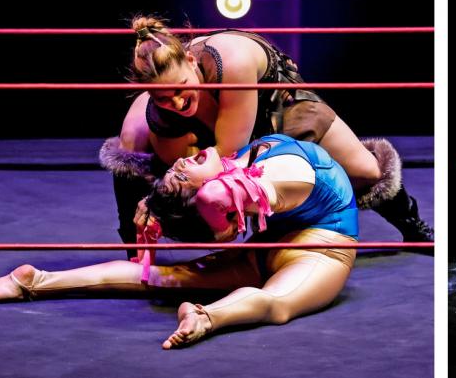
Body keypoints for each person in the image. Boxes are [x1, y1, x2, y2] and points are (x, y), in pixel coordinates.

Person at [0, 135, 358, 349]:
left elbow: (219, 205)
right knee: (277, 303)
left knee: (166, 275)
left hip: (291, 243)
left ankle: (35, 281)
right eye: (180, 176)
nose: (179, 164)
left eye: (176, 171)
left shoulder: (244, 175)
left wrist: (163, 201)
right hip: (318, 245)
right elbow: (219, 205)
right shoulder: (256, 183)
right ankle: (206, 317)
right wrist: (180, 201)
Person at [102, 17, 429, 256]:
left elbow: (230, 152)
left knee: (368, 171)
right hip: (214, 130)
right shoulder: (158, 114)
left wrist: (201, 178)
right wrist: (157, 201)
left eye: (179, 89)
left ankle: (414, 229)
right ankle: (133, 250)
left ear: (190, 60)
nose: (175, 101)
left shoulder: (232, 62)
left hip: (275, 104)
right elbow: (179, 176)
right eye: (161, 97)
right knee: (138, 158)